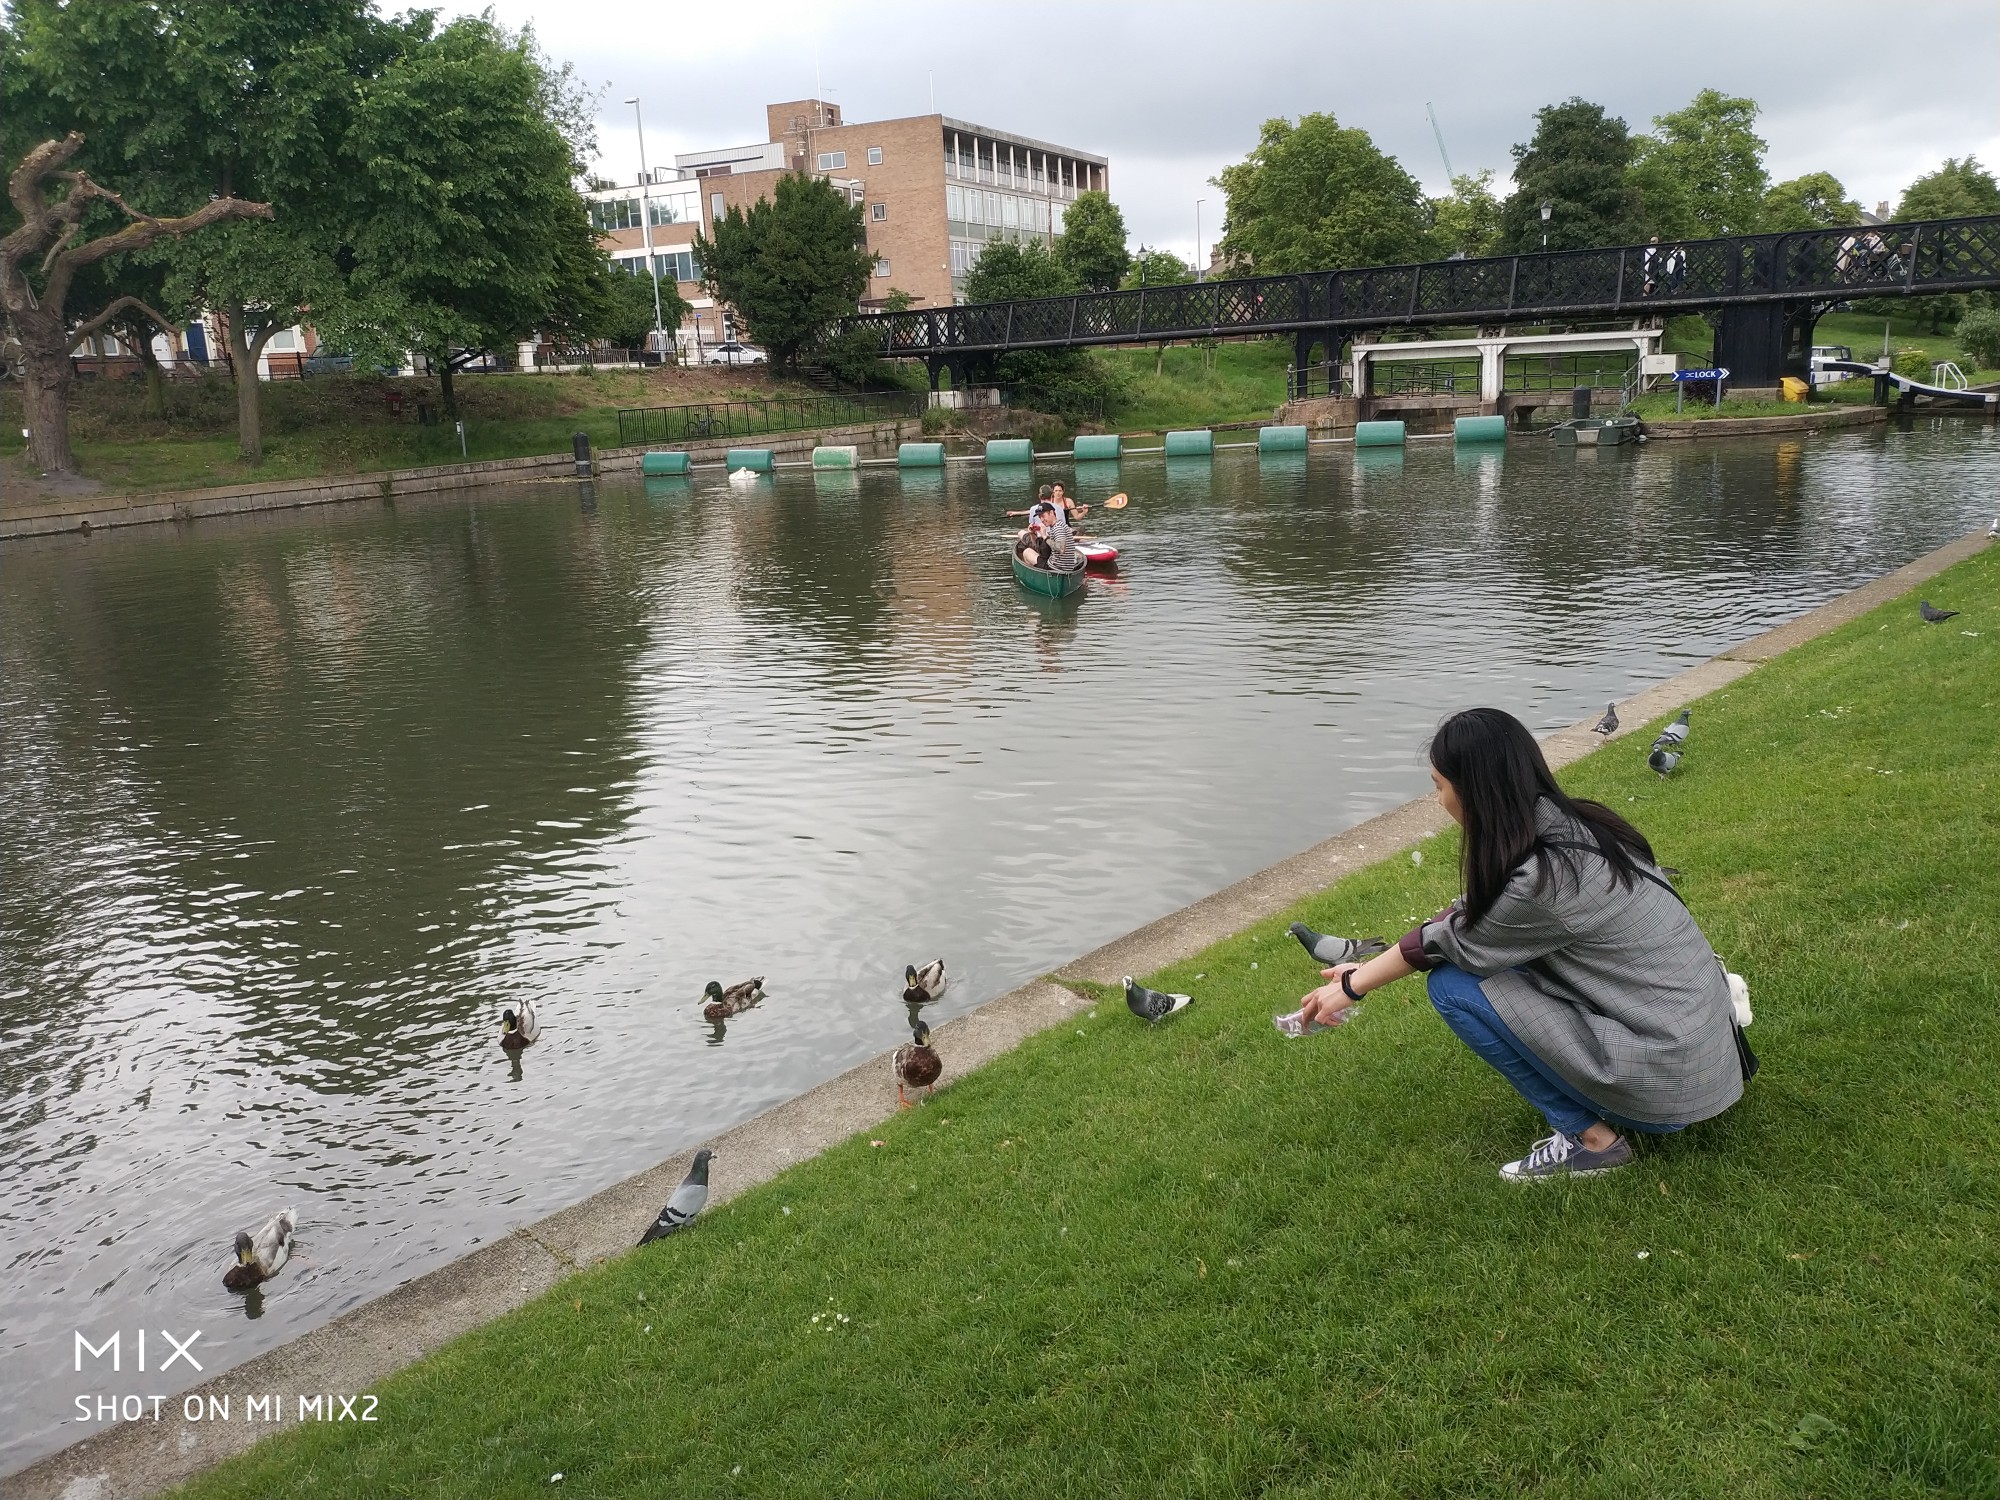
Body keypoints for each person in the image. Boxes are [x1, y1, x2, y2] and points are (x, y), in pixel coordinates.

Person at [1297, 707, 1744, 1182]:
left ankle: (1591, 1142)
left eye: (1438, 785)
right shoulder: (1579, 825)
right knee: (1487, 969)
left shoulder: (1546, 877)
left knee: (1453, 987)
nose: (1439, 798)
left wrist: (1352, 987)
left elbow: (1449, 943)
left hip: (1675, 1079)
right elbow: (1467, 915)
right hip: (1706, 1056)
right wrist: (1358, 977)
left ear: (1473, 791)